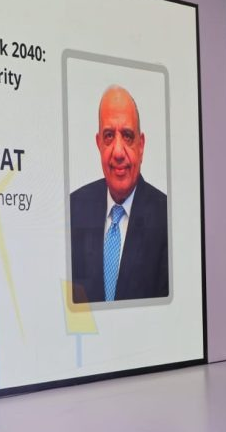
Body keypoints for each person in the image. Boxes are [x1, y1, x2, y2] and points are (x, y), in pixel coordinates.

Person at [69, 85, 168, 304]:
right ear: (98, 144)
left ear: (141, 145)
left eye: (127, 136)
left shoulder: (167, 217)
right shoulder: (73, 209)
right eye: (108, 136)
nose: (118, 152)